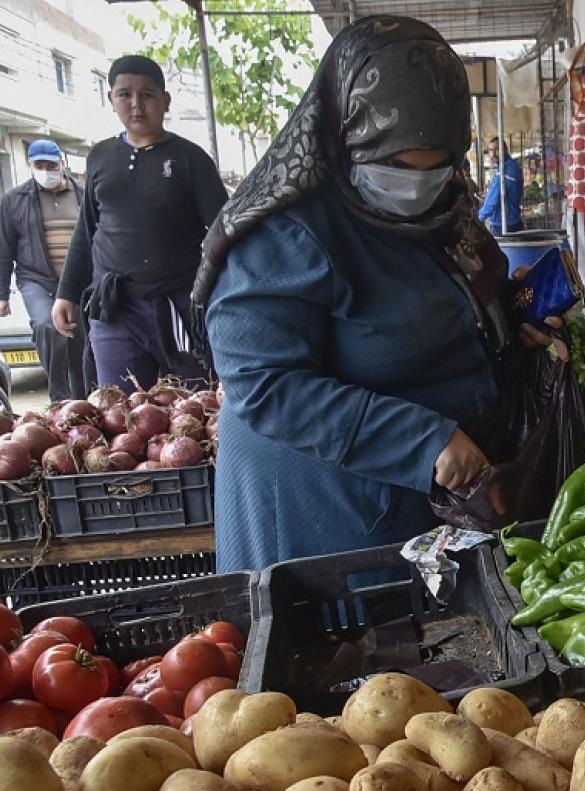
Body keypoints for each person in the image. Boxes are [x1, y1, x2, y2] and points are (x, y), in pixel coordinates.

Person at [193, 16, 557, 573]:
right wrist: (422, 441)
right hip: (326, 514)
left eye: (438, 167)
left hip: (437, 497)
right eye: (395, 169)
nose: (418, 186)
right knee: (359, 651)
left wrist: (514, 319)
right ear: (343, 135)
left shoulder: (447, 207)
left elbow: (463, 289)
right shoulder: (287, 236)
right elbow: (264, 384)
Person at [53, 55, 227, 393]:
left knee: (197, 407)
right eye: (124, 94)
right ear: (110, 99)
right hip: (114, 309)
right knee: (119, 413)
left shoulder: (191, 159)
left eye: (147, 95)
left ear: (165, 101)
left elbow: (225, 233)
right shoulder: (100, 157)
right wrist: (67, 293)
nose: (135, 104)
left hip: (179, 308)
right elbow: (88, 229)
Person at [0, 139, 91, 400]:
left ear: (62, 164)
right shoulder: (14, 200)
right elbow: (4, 249)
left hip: (76, 281)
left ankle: (81, 401)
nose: (45, 170)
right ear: (30, 166)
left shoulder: (83, 196)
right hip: (36, 279)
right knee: (46, 325)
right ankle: (59, 399)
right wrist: (2, 295)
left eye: (50, 165)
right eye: (38, 165)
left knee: (79, 338)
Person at [478, 137, 524, 234]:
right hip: (509, 222)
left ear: (505, 150)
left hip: (505, 225)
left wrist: (479, 218)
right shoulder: (508, 167)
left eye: (497, 150)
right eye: (490, 150)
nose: (493, 154)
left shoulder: (506, 170)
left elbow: (493, 200)